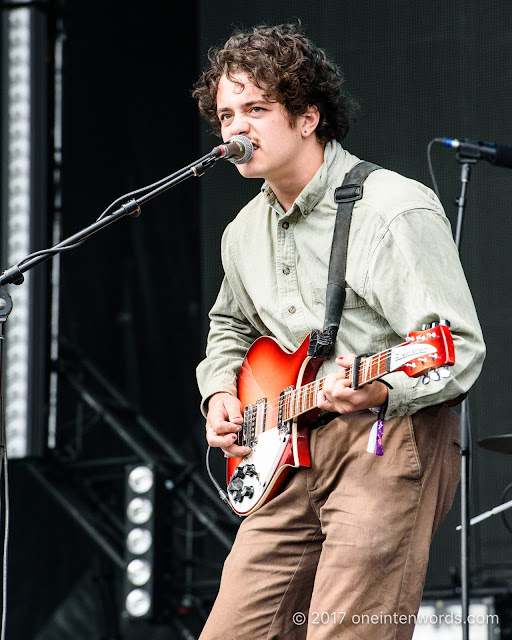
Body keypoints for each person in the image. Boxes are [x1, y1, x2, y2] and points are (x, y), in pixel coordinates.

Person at [193, 23, 485, 640]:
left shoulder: (391, 208)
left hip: (384, 439)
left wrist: (382, 389)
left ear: (307, 118)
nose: (235, 129)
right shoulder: (244, 231)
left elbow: (454, 345)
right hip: (285, 450)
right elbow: (229, 325)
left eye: (256, 109)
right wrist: (221, 391)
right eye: (225, 115)